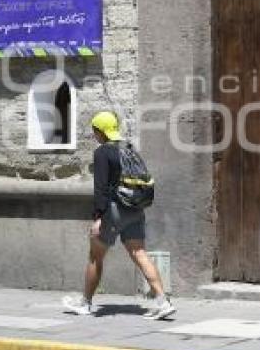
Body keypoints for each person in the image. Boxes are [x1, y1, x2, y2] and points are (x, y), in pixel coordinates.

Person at [62, 111, 176, 320]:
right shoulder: (129, 148)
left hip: (113, 210)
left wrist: (98, 218)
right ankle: (163, 301)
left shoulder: (102, 152)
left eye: (95, 131)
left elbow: (101, 189)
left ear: (101, 131)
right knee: (140, 254)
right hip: (135, 208)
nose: (94, 135)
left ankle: (85, 304)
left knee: (95, 257)